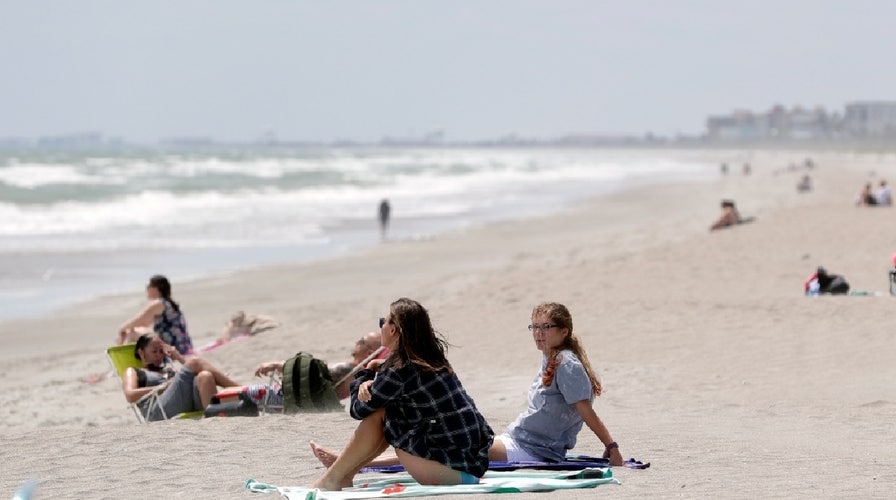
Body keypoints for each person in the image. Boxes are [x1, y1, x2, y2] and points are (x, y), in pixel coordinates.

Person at [312, 302, 624, 471]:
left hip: (534, 449)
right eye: (535, 326)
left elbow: (585, 411)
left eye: (547, 327)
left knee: (448, 448)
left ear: (564, 331)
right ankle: (353, 462)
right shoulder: (553, 357)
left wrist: (612, 448)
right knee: (449, 443)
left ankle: (352, 462)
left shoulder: (567, 364)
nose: (539, 333)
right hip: (520, 438)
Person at [309, 298, 494, 491]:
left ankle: (334, 478)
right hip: (472, 464)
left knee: (381, 414)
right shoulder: (430, 357)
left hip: (449, 472)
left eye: (383, 322)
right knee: (389, 412)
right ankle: (343, 476)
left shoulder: (400, 371)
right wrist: (375, 371)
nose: (381, 326)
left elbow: (357, 410)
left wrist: (365, 375)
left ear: (393, 330)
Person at [122, 333, 241, 421]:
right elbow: (130, 395)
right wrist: (165, 387)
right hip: (157, 411)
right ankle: (239, 390)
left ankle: (214, 418)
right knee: (195, 362)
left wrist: (178, 358)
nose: (159, 355)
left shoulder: (168, 369)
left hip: (182, 403)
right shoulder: (134, 371)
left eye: (161, 351)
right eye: (154, 351)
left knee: (205, 376)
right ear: (141, 352)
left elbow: (191, 374)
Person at [117, 275, 194, 355]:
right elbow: (143, 324)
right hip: (183, 346)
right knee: (133, 331)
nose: (147, 289)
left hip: (172, 347)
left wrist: (121, 329)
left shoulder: (158, 303)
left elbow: (136, 320)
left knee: (132, 334)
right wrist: (128, 329)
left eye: (148, 286)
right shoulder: (169, 304)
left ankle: (124, 358)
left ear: (155, 288)